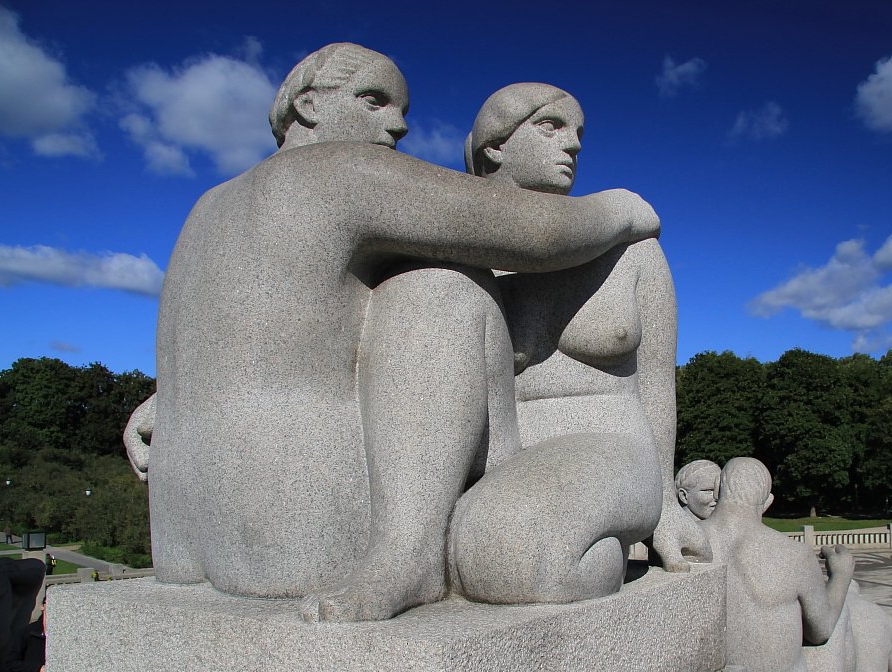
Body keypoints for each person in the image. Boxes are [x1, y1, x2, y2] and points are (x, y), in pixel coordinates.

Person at [132, 44, 661, 623]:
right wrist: (625, 207)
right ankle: (408, 555)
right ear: (309, 106)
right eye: (374, 100)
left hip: (183, 527)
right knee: (438, 284)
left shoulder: (209, 205)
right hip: (300, 521)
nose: (399, 123)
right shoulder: (341, 171)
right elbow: (540, 233)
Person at [448, 83, 706, 605]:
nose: (574, 145)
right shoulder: (461, 256)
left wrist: (667, 504)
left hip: (610, 446)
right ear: (494, 146)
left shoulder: (631, 250)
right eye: (551, 126)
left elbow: (658, 384)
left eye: (579, 133)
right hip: (495, 462)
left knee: (520, 555)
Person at [700, 457, 855, 672]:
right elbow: (821, 629)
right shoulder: (792, 554)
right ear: (768, 501)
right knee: (839, 614)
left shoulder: (690, 543)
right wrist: (841, 575)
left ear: (718, 488)